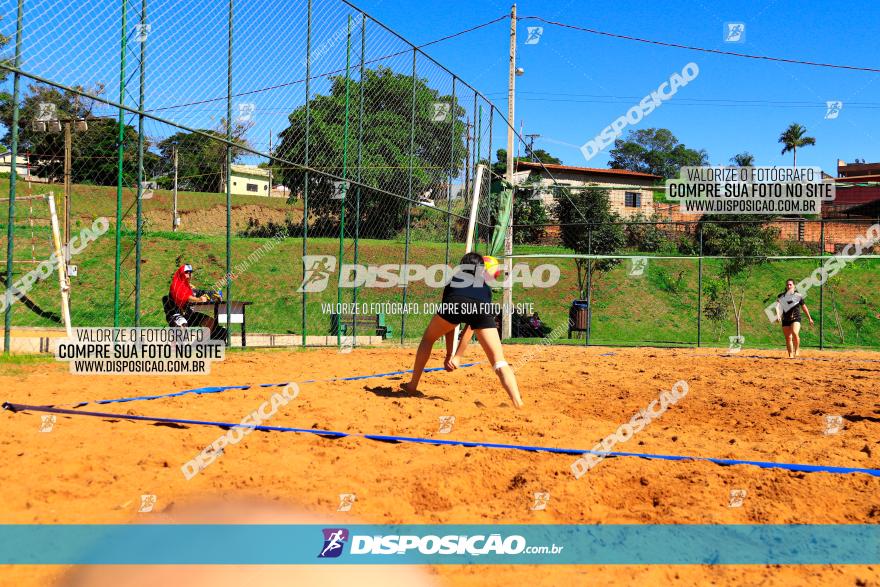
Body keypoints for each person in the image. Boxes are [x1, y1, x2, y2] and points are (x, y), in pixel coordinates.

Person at [402, 252, 524, 408]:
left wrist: (449, 355)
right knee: (500, 362)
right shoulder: (485, 288)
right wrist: (457, 356)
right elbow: (471, 327)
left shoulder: (453, 280)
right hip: (480, 309)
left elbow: (450, 324)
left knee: (428, 339)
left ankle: (412, 386)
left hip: (455, 302)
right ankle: (517, 402)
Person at [169, 264, 217, 331]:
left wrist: (213, 295)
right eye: (186, 272)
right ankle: (178, 340)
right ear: (181, 273)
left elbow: (200, 292)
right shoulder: (176, 285)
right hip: (177, 314)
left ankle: (206, 340)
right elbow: (186, 297)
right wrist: (199, 299)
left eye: (190, 272)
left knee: (210, 321)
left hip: (190, 314)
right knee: (183, 323)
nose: (189, 274)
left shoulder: (188, 286)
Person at [775, 278, 814, 358]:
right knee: (788, 338)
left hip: (796, 318)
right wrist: (778, 315)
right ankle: (791, 355)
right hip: (785, 319)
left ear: (794, 286)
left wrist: (809, 318)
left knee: (794, 332)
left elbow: (804, 307)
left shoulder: (798, 296)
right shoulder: (781, 296)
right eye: (787, 285)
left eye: (790, 284)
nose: (789, 286)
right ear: (786, 286)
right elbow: (777, 306)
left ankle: (797, 350)